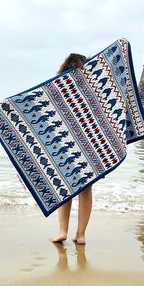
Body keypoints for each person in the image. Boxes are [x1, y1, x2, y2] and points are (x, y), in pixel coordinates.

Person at [52, 53, 93, 245]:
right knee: (85, 190)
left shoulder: (58, 86)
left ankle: (62, 231)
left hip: (64, 146)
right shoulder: (90, 88)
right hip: (88, 145)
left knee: (65, 189)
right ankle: (81, 234)